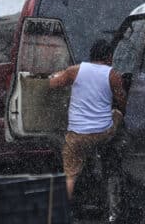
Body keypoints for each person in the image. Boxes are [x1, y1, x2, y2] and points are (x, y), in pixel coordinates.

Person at [48, 39, 126, 200]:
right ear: (109, 57)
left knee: (69, 176)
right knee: (117, 114)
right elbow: (122, 101)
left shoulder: (74, 71)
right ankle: (106, 153)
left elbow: (53, 84)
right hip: (102, 132)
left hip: (77, 136)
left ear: (91, 55)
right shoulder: (113, 75)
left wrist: (55, 75)